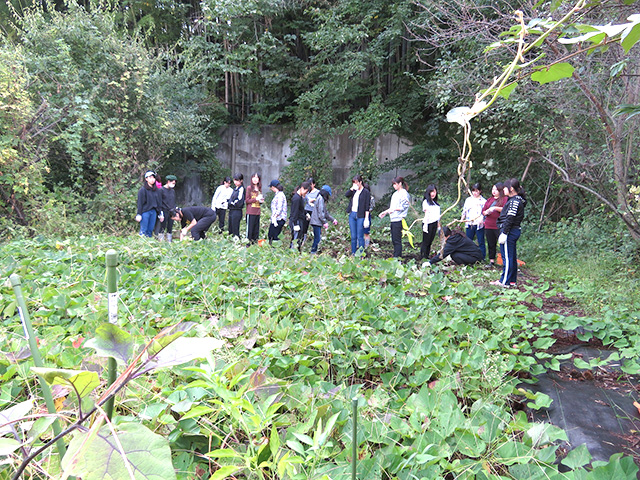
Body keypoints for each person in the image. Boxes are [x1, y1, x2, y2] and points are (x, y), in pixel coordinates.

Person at [491, 178, 526, 287]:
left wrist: (505, 232)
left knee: (507, 258)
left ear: (511, 189)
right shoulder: (515, 200)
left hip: (510, 231)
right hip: (511, 231)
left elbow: (510, 218)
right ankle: (512, 281)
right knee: (511, 256)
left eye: (505, 188)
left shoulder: (514, 201)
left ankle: (504, 281)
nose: (503, 190)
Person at [378, 177, 410, 258]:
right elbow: (392, 207)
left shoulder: (404, 193)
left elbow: (404, 207)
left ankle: (397, 257)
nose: (394, 186)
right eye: (393, 184)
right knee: (394, 239)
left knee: (397, 240)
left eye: (395, 184)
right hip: (393, 219)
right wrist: (384, 212)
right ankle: (396, 256)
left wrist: (394, 210)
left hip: (399, 219)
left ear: (400, 184)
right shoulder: (395, 194)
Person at [345, 175, 371, 256]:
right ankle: (353, 253)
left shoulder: (366, 192)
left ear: (360, 182)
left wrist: (366, 218)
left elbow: (367, 206)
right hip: (352, 214)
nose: (355, 184)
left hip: (361, 215)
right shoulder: (354, 191)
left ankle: (360, 254)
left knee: (360, 236)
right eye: (354, 183)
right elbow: (346, 195)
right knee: (353, 236)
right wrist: (352, 189)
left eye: (356, 183)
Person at [482, 183, 507, 266]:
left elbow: (505, 209)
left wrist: (495, 208)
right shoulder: (489, 200)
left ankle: (505, 261)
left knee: (502, 243)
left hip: (499, 225)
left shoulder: (504, 199)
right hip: (489, 225)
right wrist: (486, 212)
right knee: (490, 243)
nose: (494, 191)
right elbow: (484, 210)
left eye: (496, 190)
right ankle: (491, 261)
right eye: (493, 189)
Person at [309, 185, 338, 254]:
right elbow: (321, 213)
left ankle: (315, 251)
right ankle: (313, 252)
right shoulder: (320, 199)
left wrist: (333, 219)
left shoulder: (320, 199)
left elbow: (325, 213)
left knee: (318, 238)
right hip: (316, 222)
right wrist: (324, 222)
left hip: (317, 222)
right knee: (317, 239)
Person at [461, 183, 487, 260]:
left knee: (481, 241)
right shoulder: (468, 200)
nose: (475, 193)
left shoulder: (483, 201)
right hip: (470, 223)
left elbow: (485, 213)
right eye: (473, 191)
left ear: (480, 191)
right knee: (468, 240)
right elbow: (464, 211)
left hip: (479, 224)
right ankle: (468, 256)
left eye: (477, 191)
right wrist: (462, 219)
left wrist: (482, 219)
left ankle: (482, 258)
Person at [135, 171, 163, 237]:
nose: (152, 179)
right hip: (145, 212)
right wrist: (139, 214)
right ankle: (141, 244)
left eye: (153, 177)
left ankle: (148, 245)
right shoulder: (143, 190)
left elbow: (159, 202)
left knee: (150, 230)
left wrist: (160, 213)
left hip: (153, 212)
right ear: (146, 179)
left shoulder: (156, 190)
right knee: (143, 230)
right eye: (150, 177)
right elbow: (140, 203)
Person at [420, 184, 441, 260]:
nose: (433, 194)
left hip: (434, 223)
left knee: (430, 241)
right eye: (431, 192)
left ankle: (427, 256)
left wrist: (439, 227)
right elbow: (427, 213)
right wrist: (425, 225)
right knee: (426, 241)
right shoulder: (426, 202)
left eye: (434, 192)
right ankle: (423, 256)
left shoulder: (436, 204)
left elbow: (438, 217)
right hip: (428, 223)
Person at [156, 174, 177, 241]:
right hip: (164, 211)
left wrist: (175, 210)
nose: (173, 184)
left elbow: (173, 201)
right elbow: (159, 202)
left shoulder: (172, 191)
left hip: (172, 211)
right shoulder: (161, 190)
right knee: (162, 226)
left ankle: (169, 241)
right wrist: (160, 213)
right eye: (172, 183)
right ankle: (161, 241)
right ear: (168, 181)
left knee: (170, 226)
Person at [290, 181, 310, 250]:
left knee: (298, 239)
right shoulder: (296, 198)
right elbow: (294, 212)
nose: (306, 193)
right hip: (296, 221)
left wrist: (306, 213)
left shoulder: (300, 197)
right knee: (295, 240)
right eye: (306, 191)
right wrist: (295, 224)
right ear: (302, 188)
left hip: (300, 219)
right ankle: (292, 253)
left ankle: (296, 253)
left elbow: (301, 209)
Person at [245, 173, 264, 244]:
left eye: (257, 177)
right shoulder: (249, 188)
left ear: (259, 180)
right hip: (250, 212)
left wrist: (261, 200)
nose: (255, 179)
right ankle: (248, 244)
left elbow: (259, 200)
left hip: (257, 211)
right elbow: (247, 200)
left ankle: (255, 244)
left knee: (256, 229)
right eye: (254, 177)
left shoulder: (259, 189)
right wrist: (256, 199)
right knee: (250, 229)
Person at [268, 180, 287, 244]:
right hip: (276, 219)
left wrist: (275, 216)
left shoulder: (280, 195)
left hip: (279, 219)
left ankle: (275, 249)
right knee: (271, 235)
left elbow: (279, 208)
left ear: (273, 187)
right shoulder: (278, 194)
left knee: (274, 236)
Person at [302, 178, 319, 248]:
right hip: (307, 210)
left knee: (315, 225)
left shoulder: (317, 192)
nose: (310, 186)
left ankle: (315, 241)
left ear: (314, 184)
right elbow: (303, 200)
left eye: (311, 184)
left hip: (314, 211)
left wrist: (313, 201)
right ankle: (303, 239)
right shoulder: (307, 192)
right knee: (304, 226)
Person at [227, 173, 245, 238]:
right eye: (235, 180)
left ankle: (236, 240)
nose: (235, 182)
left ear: (241, 181)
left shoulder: (241, 189)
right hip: (232, 210)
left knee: (235, 227)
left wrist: (232, 203)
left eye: (237, 181)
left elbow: (239, 200)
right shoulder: (235, 189)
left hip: (237, 210)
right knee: (230, 226)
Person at [363, 182, 376, 249]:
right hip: (360, 215)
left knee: (366, 232)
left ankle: (366, 246)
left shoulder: (371, 198)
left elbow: (372, 207)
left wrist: (366, 210)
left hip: (367, 216)